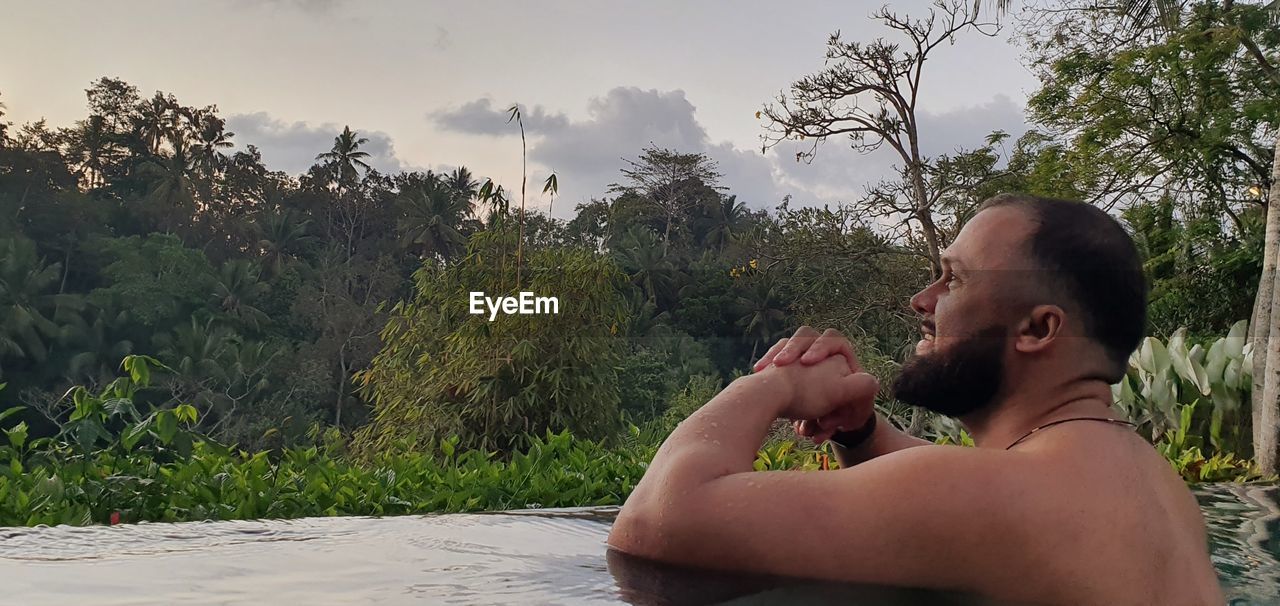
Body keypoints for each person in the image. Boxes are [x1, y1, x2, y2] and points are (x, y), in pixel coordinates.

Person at [606, 193, 1224, 605]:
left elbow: (656, 525)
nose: (923, 301)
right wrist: (859, 431)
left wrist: (773, 383)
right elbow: (958, 501)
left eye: (953, 278)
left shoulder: (1003, 497)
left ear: (1039, 329)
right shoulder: (1154, 485)